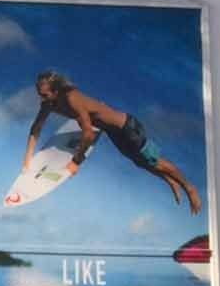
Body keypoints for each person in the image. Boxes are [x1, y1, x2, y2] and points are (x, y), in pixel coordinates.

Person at [23, 70, 202, 214]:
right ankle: (171, 181)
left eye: (45, 95)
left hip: (127, 128)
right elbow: (36, 128)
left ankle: (189, 187)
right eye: (40, 95)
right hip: (113, 132)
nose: (42, 99)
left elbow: (88, 135)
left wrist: (76, 162)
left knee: (154, 160)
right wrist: (28, 159)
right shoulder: (48, 104)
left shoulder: (72, 99)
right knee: (141, 163)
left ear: (56, 91)